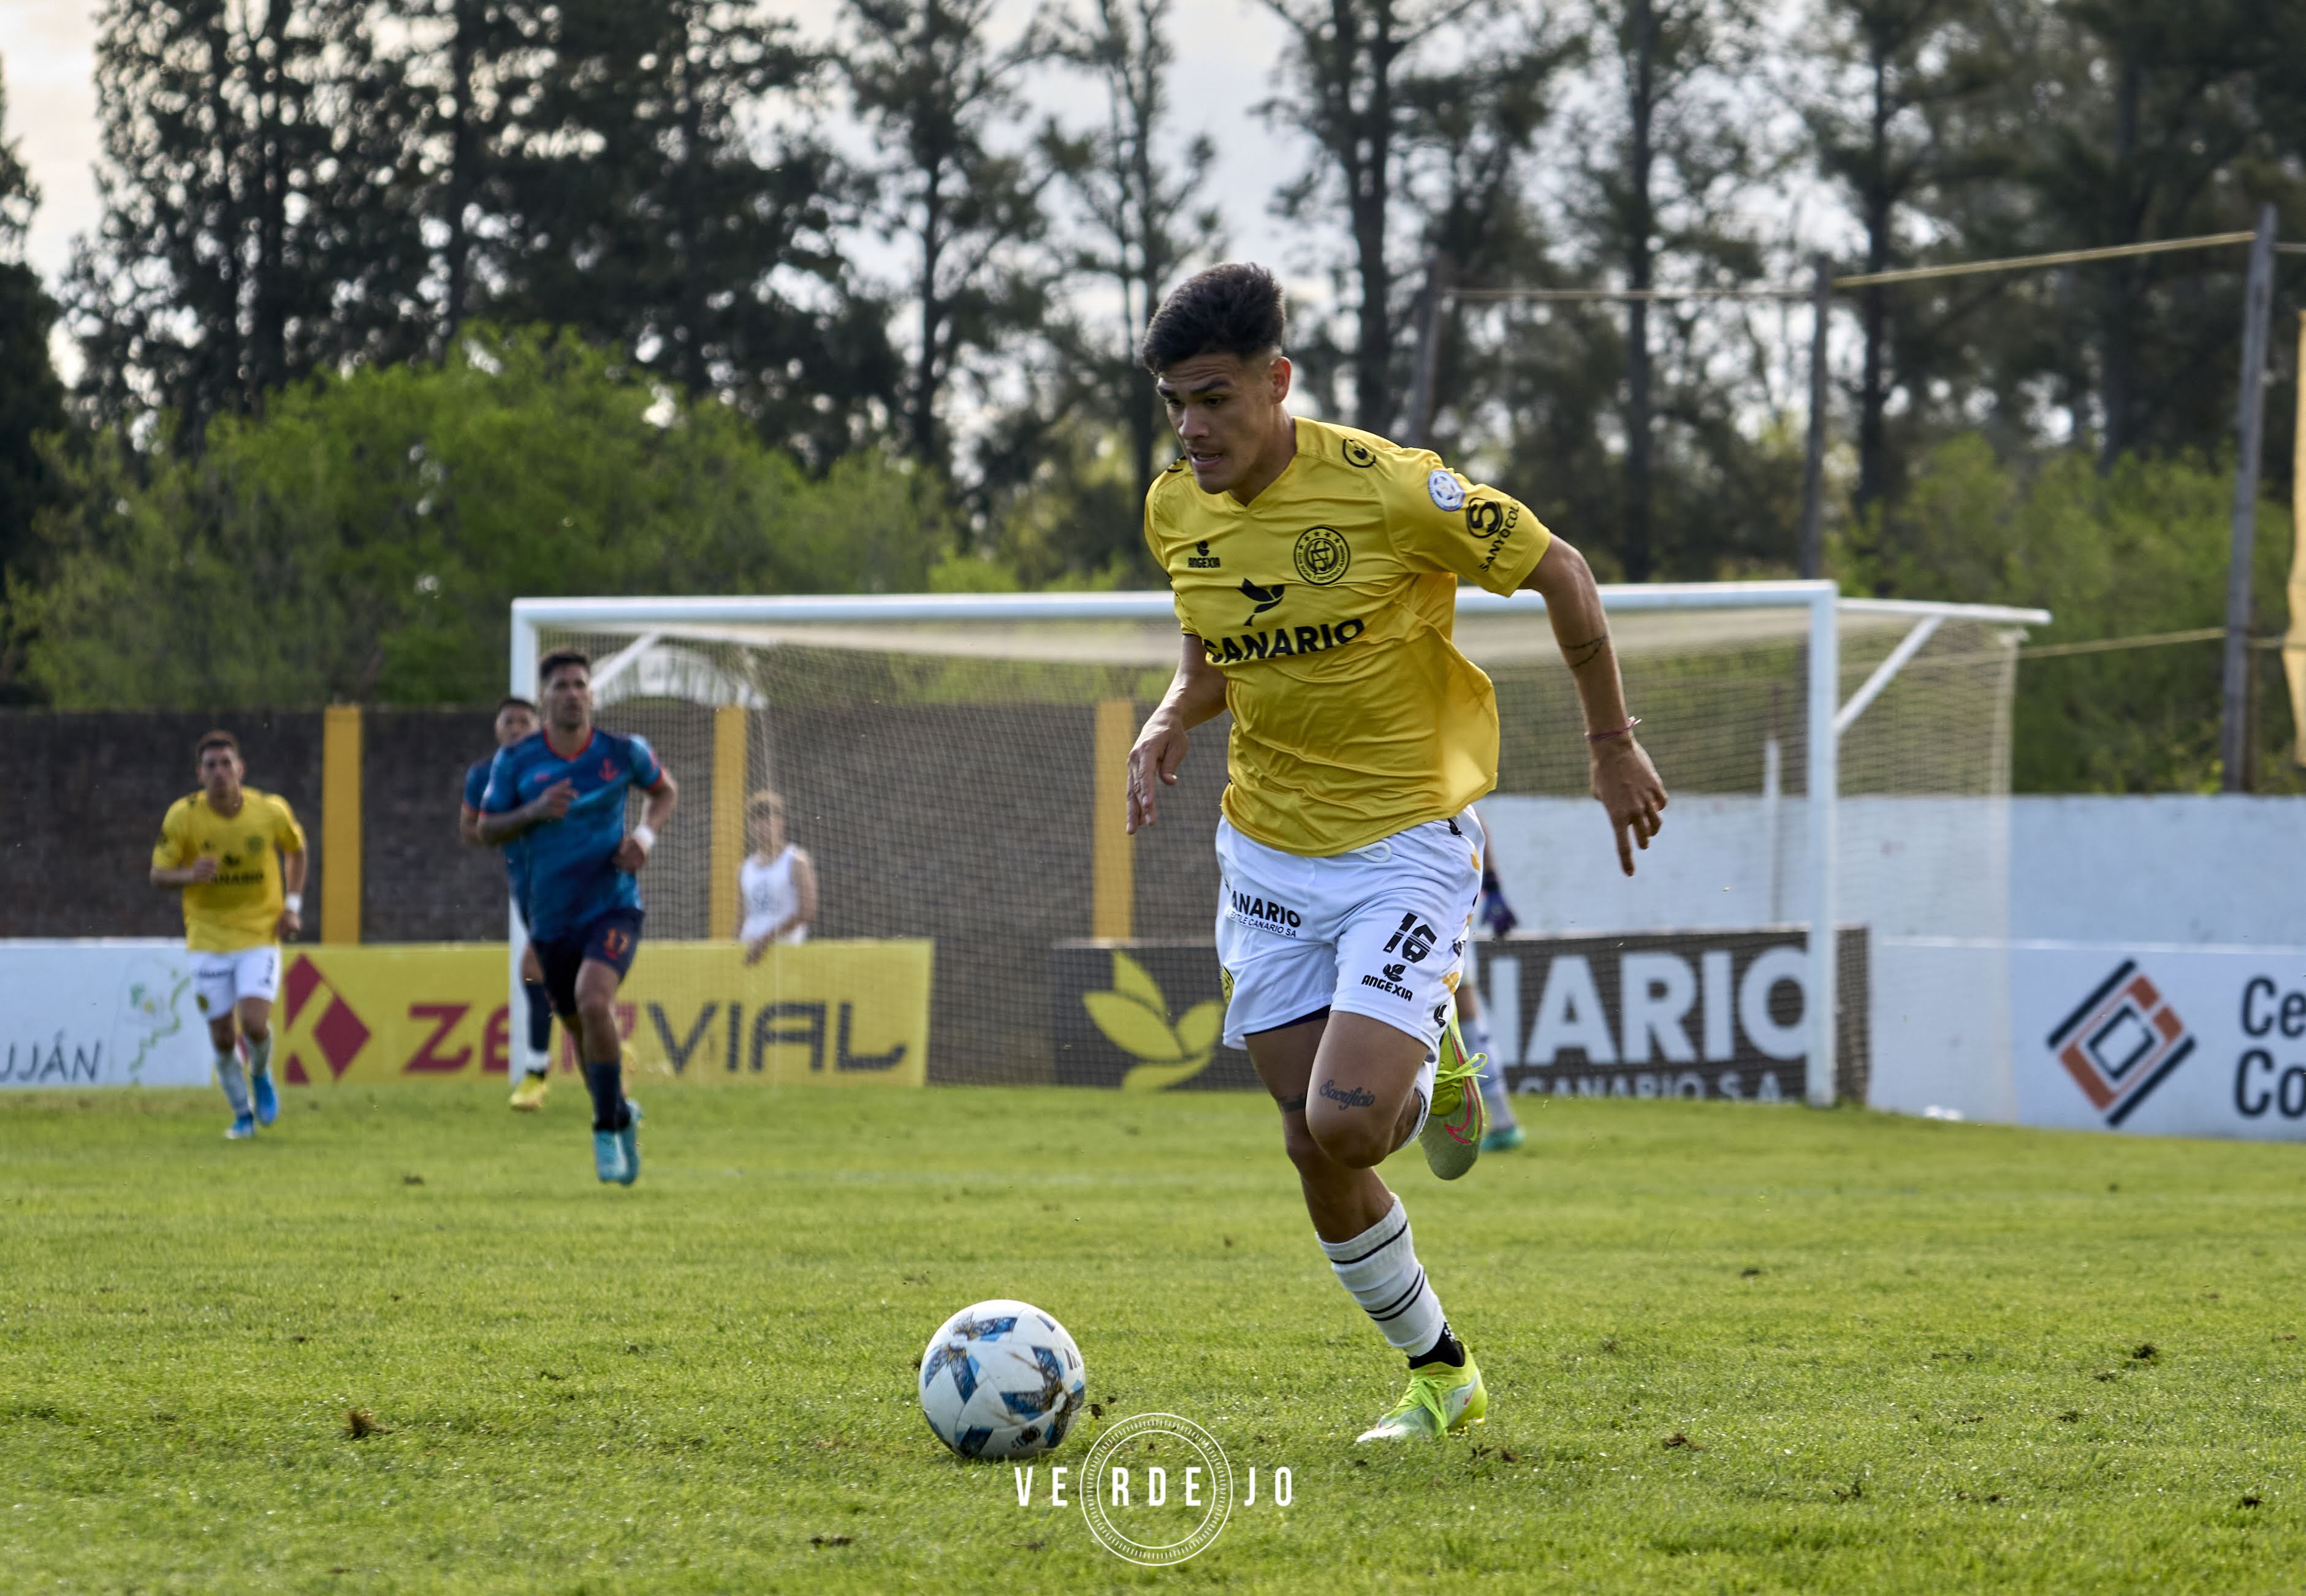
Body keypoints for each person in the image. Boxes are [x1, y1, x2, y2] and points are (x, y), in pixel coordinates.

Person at [1125, 264, 1667, 1443]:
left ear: (1277, 380)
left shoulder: (1387, 491)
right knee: (1304, 1136)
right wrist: (1174, 713)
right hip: (1265, 856)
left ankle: (1437, 1049)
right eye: (1175, 401)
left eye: (1213, 397)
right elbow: (1210, 647)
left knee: (1353, 1119)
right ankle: (1440, 1372)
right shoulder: (1175, 509)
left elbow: (1560, 570)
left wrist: (1611, 742)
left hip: (1405, 843)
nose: (1191, 425)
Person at [479, 652, 678, 1184]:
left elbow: (664, 790)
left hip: (613, 905)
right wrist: (534, 810)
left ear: (592, 695)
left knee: (595, 1001)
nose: (571, 692)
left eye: (580, 684)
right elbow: (485, 827)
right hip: (551, 922)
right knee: (583, 1032)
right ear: (545, 699)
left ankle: (603, 1130)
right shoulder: (517, 762)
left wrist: (644, 838)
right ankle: (620, 1114)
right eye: (560, 686)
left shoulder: (621, 752)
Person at [148, 731, 310, 1139]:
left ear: (241, 769)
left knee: (255, 1023)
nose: (219, 772)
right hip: (207, 939)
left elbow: (298, 850)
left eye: (226, 764)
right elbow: (157, 874)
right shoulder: (182, 817)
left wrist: (292, 908)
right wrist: (189, 874)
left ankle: (260, 1074)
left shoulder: (269, 811)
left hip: (259, 932)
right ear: (199, 774)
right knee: (221, 1036)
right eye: (211, 766)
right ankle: (242, 1115)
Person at [460, 695, 557, 1110]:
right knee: (563, 983)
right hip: (526, 886)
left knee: (534, 970)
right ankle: (607, 1056)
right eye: (509, 722)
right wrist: (516, 818)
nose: (516, 728)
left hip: (565, 880)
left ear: (537, 727)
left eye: (524, 721)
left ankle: (535, 1074)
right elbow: (470, 831)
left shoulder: (555, 768)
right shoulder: (485, 774)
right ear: (498, 730)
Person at [1458, 811, 1526, 1153]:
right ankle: (1501, 1120)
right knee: (1462, 1015)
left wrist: (1494, 887)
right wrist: (1494, 887)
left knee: (1463, 1012)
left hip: (1434, 902)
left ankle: (1501, 1121)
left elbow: (1476, 818)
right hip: (1438, 898)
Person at [740, 790, 818, 962]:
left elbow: (807, 911)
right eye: (755, 820)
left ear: (780, 822)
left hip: (786, 954)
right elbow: (742, 916)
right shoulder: (746, 867)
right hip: (750, 954)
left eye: (767, 819)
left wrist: (766, 939)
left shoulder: (796, 861)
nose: (761, 827)